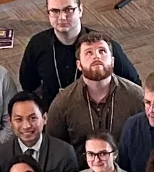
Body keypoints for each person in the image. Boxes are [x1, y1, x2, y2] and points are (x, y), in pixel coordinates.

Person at [18, 0, 140, 107]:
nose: (62, 17)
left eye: (68, 10)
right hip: (53, 112)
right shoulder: (37, 44)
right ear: (48, 13)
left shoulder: (103, 46)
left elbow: (134, 85)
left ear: (80, 10)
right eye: (55, 11)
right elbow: (29, 86)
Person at [46, 32, 144, 162]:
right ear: (79, 65)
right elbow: (55, 149)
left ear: (113, 61)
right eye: (89, 53)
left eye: (102, 51)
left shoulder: (136, 97)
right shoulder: (62, 103)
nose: (96, 56)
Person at [0, 92, 79, 172]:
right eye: (19, 119)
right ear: (10, 122)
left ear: (45, 118)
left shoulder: (65, 152)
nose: (26, 126)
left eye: (33, 118)